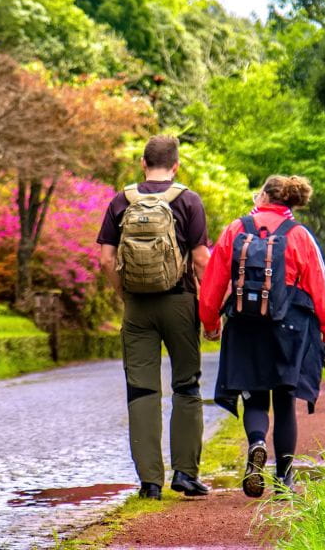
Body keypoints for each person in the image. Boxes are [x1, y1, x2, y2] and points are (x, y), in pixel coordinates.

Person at [197, 175, 325, 497]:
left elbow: (213, 283)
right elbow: (320, 288)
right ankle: (285, 479)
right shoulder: (300, 235)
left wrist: (210, 323)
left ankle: (257, 443)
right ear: (289, 201)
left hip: (245, 325)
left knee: (255, 396)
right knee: (285, 401)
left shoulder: (236, 229)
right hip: (288, 329)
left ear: (264, 196)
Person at [97, 135, 212, 500]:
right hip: (180, 301)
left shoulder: (121, 200)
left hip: (138, 307)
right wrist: (208, 310)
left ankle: (149, 482)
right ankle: (185, 474)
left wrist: (124, 294)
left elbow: (104, 259)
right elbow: (202, 260)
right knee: (186, 386)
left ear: (143, 164)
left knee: (142, 390)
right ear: (175, 165)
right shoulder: (188, 200)